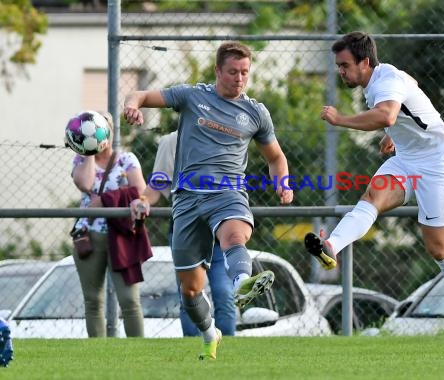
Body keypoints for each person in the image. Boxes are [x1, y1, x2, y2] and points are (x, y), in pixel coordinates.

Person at [304, 31, 444, 349]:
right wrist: (399, 133)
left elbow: (386, 114)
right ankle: (331, 246)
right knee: (371, 197)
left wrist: (342, 119)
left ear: (365, 62)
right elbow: (407, 90)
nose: (340, 71)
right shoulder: (383, 79)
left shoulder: (385, 79)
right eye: (338, 66)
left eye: (344, 65)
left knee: (439, 250)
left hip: (438, 165)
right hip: (406, 162)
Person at [124, 41, 294, 360]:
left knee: (234, 235)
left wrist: (283, 183)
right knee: (190, 291)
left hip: (227, 192)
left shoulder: (255, 113)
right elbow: (143, 96)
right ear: (217, 70)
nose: (239, 78)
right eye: (232, 72)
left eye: (245, 72)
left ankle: (244, 283)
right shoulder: (192, 97)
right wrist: (131, 103)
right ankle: (209, 333)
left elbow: (276, 157)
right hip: (187, 202)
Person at [133, 130, 236, 337]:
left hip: (218, 226)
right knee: (189, 293)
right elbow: (157, 184)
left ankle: (228, 348)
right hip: (186, 227)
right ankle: (193, 347)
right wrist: (143, 200)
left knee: (224, 293)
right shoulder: (171, 141)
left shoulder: (224, 135)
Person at [71, 111, 147, 338]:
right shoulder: (80, 160)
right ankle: (98, 354)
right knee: (93, 300)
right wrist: (90, 151)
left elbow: (139, 192)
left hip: (122, 235)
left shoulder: (127, 159)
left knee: (129, 300)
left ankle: (139, 354)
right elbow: (84, 183)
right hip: (90, 236)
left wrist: (106, 199)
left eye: (103, 126)